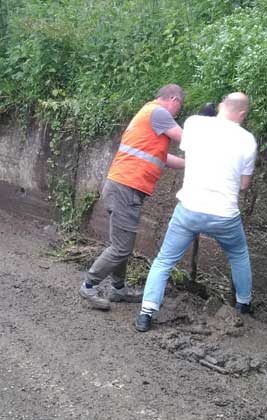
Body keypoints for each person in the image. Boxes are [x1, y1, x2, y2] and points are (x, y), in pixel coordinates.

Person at [134, 92, 257, 332]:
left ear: (221, 105)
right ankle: (243, 304)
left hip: (189, 210)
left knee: (165, 260)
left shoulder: (194, 123)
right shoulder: (248, 140)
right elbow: (243, 185)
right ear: (242, 113)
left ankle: (146, 313)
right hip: (224, 214)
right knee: (239, 255)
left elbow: (190, 153)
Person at [79, 85, 187, 310]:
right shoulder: (159, 113)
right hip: (126, 187)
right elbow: (187, 141)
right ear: (174, 99)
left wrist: (190, 164)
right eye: (180, 107)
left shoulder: (148, 114)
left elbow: (162, 157)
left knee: (120, 244)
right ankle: (88, 286)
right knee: (121, 248)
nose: (177, 113)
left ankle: (118, 290)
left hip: (122, 185)